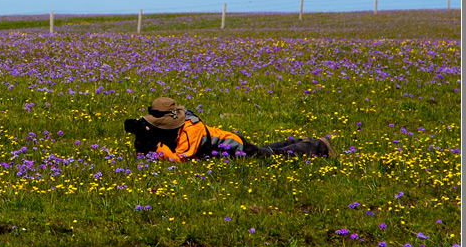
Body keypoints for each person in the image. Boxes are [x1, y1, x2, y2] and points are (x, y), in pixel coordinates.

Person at [124, 97, 335, 162]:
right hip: (224, 146)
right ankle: (303, 140)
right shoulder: (174, 128)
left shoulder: (190, 128)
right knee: (267, 149)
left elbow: (181, 158)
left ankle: (318, 146)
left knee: (270, 156)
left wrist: (157, 146)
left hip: (231, 145)